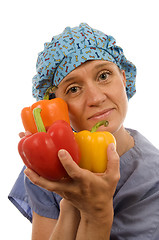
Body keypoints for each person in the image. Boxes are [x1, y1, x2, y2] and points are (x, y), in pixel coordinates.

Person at [9, 23, 159, 239]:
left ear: (124, 78)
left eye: (104, 76)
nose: (96, 98)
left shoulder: (153, 183)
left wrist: (97, 212)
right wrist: (70, 201)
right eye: (74, 89)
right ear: (57, 105)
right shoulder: (47, 160)